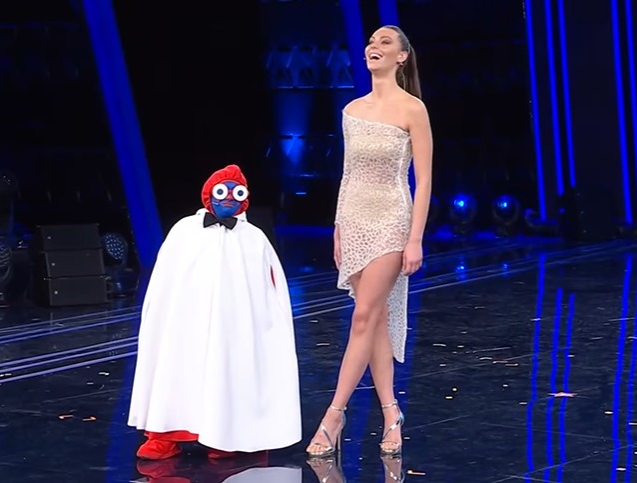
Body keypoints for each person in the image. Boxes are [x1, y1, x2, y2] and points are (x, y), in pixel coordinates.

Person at [305, 25, 433, 459]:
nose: (374, 47)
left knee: (362, 317)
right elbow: (347, 175)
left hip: (392, 221)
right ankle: (391, 412)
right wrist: (339, 226)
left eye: (385, 42)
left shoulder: (413, 109)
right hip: (355, 221)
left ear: (402, 56)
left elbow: (424, 180)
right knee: (373, 320)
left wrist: (415, 238)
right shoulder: (352, 110)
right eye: (372, 42)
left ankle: (334, 415)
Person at [128, 164, 301, 460]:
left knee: (231, 371)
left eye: (236, 193)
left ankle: (227, 435)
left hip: (234, 325)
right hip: (186, 322)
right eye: (223, 191)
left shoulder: (254, 238)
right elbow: (165, 281)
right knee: (178, 368)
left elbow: (271, 288)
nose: (229, 199)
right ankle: (166, 432)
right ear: (209, 194)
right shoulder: (184, 231)